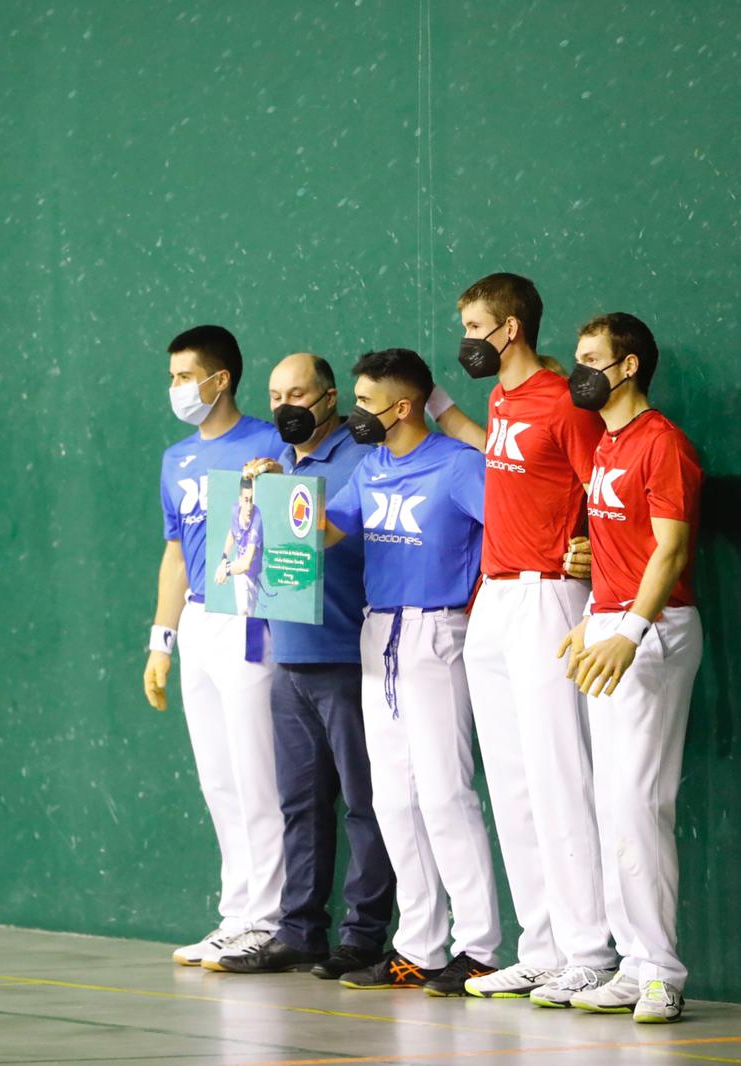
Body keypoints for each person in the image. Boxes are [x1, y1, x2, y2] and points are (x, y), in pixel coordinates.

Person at [452, 273, 618, 1007]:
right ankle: (542, 947)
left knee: (558, 776)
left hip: (552, 596)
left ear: (510, 329)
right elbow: (507, 462)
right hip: (494, 597)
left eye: (476, 326)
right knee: (513, 784)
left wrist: (591, 552)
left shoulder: (565, 402)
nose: (468, 340)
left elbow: (603, 487)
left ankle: (591, 950)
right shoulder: (502, 399)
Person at [318, 348, 503, 995]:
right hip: (379, 633)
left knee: (446, 795)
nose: (356, 413)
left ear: (402, 407)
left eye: (366, 402)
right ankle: (420, 948)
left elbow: (509, 528)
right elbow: (328, 530)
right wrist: (270, 493)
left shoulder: (458, 467)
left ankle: (478, 948)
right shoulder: (370, 467)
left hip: (438, 632)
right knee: (394, 799)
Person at [211, 353, 397, 981]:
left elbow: (345, 536)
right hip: (287, 657)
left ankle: (365, 937)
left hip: (348, 655)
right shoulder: (278, 464)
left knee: (366, 805)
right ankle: (300, 932)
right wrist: (255, 494)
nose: (285, 404)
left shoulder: (363, 459)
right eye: (275, 393)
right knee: (301, 803)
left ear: (330, 397)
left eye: (298, 392)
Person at [557, 313, 703, 1024]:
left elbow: (669, 552)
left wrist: (632, 630)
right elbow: (618, 550)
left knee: (640, 801)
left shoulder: (662, 443)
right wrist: (594, 620)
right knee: (610, 801)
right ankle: (632, 960)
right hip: (612, 624)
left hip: (657, 628)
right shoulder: (609, 446)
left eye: (591, 358)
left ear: (630, 366)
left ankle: (662, 971)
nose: (579, 369)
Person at [145, 325, 288, 967]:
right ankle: (237, 914)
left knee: (257, 771)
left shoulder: (268, 441)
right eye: (172, 377)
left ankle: (271, 917)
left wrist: (277, 481)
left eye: (184, 376)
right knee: (218, 776)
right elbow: (175, 555)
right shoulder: (176, 459)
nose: (176, 388)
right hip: (200, 621)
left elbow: (293, 531)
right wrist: (161, 641)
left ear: (219, 378)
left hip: (254, 616)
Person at [214, 476, 265, 616]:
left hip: (252, 573)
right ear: (240, 499)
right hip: (238, 564)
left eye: (252, 500)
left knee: (248, 614)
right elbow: (232, 532)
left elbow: (246, 564)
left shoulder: (257, 520)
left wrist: (225, 569)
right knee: (242, 613)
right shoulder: (235, 510)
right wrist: (224, 558)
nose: (249, 507)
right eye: (246, 500)